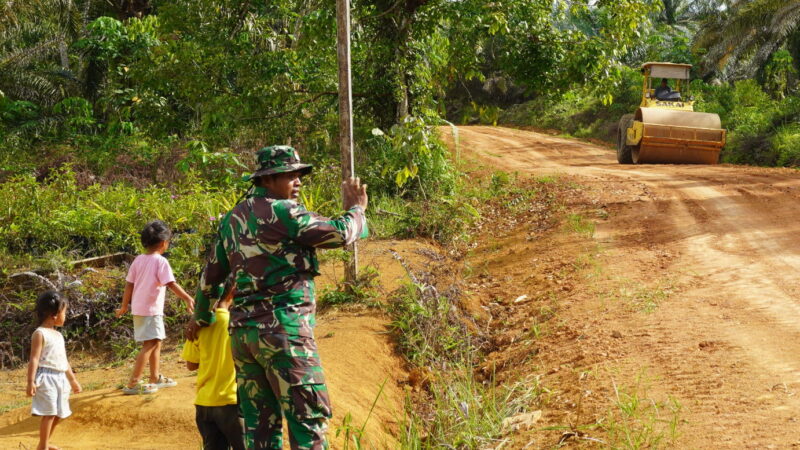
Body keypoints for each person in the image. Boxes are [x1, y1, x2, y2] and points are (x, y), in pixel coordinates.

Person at [187, 145, 369, 449]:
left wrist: (201, 317)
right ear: (267, 179)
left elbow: (211, 278)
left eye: (299, 175)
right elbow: (339, 234)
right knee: (307, 423)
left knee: (259, 432)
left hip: (244, 339)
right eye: (289, 175)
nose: (297, 181)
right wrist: (357, 209)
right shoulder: (284, 211)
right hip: (284, 334)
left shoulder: (232, 219)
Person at [116, 219, 195, 395]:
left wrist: (124, 306)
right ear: (163, 243)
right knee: (151, 344)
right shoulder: (160, 261)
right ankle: (133, 383)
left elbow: (129, 284)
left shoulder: (138, 260)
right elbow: (171, 284)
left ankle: (155, 377)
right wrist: (187, 297)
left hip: (140, 309)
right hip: (151, 310)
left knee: (154, 342)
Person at [182, 285, 245, 450]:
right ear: (233, 290)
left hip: (204, 404)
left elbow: (191, 364)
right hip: (230, 401)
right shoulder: (236, 321)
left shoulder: (197, 324)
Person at [26, 290, 82, 450]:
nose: (66, 316)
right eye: (64, 312)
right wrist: (30, 382)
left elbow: (63, 361)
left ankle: (43, 444)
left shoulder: (58, 335)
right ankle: (43, 447)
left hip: (60, 378)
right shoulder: (40, 333)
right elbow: (34, 359)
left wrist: (73, 380)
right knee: (49, 413)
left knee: (59, 413)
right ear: (54, 314)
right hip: (46, 378)